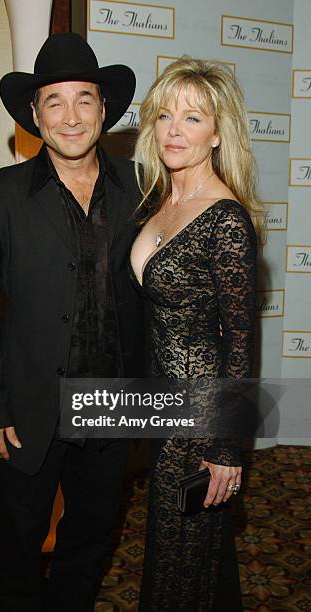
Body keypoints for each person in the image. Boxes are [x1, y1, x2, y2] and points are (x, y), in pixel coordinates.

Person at [0, 33, 145, 612]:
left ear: (104, 109)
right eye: (55, 101)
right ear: (34, 114)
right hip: (29, 406)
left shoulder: (142, 187)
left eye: (84, 99)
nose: (71, 116)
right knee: (17, 540)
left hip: (113, 401)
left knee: (89, 540)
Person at [130, 57, 265, 611]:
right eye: (164, 116)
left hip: (199, 415)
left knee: (181, 550)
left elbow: (238, 339)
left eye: (192, 118)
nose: (174, 130)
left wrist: (225, 447)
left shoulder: (225, 218)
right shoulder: (161, 201)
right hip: (165, 405)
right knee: (185, 550)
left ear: (217, 134)